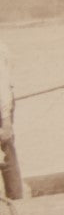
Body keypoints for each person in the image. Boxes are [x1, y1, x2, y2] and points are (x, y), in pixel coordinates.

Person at [0, 38, 20, 200]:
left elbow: (3, 87)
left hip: (1, 107)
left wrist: (6, 120)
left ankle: (16, 200)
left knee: (6, 154)